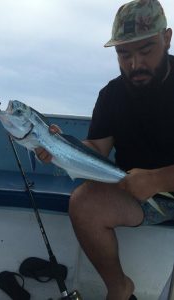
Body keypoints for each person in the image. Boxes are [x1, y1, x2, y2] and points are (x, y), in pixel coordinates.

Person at [36, 0, 174, 299]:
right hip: (136, 194)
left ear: (167, 38)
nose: (135, 64)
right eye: (124, 54)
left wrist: (159, 179)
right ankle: (119, 288)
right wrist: (58, 149)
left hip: (156, 186)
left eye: (146, 50)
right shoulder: (111, 95)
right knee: (83, 202)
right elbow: (97, 148)